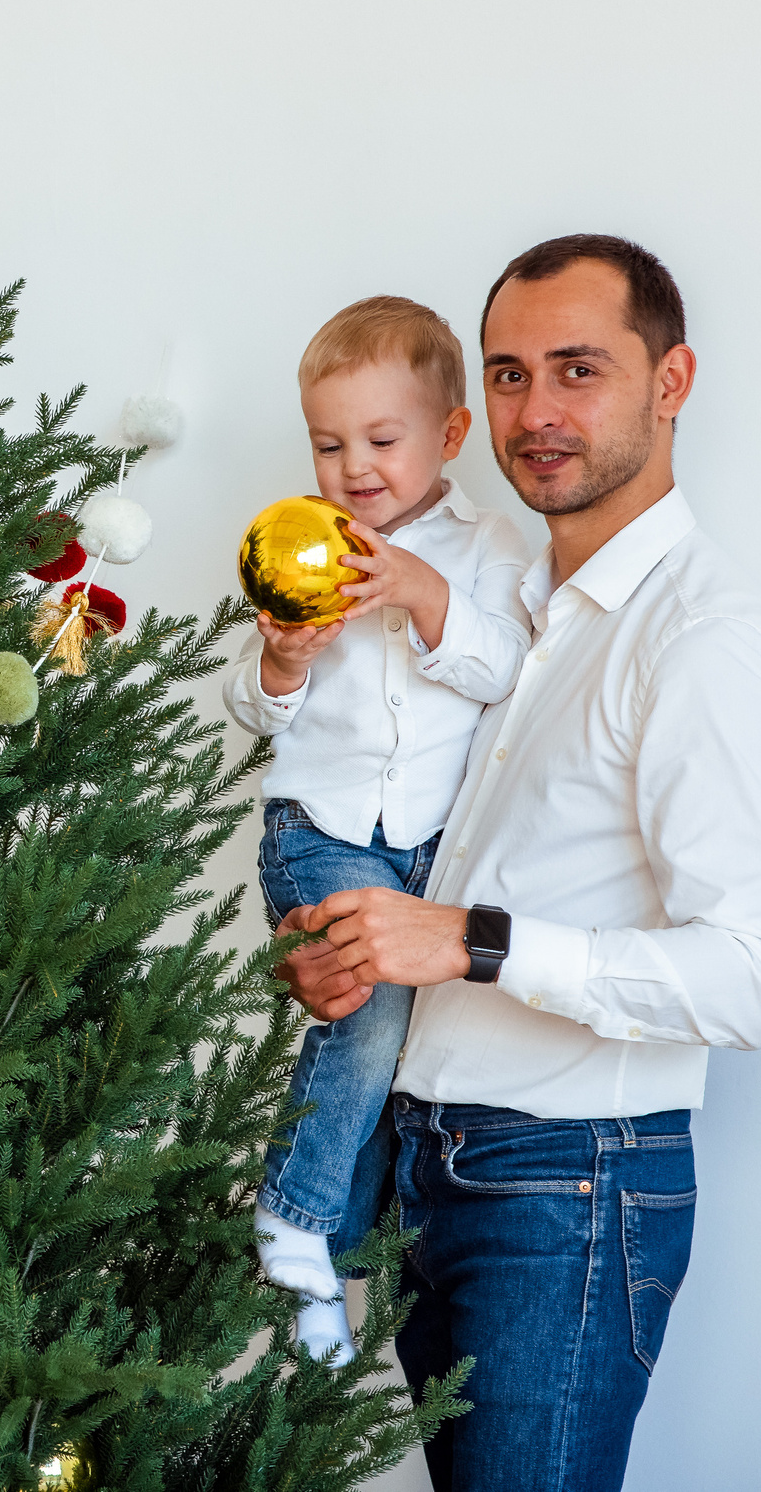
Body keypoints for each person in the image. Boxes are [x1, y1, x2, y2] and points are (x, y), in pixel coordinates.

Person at [279, 235, 761, 1491]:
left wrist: (468, 937)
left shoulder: (701, 642)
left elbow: (752, 977)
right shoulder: (521, 613)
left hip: (566, 1185)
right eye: (510, 376)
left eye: (579, 369)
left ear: (670, 381)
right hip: (434, 1162)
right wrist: (358, 959)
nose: (538, 412)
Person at [223, 296, 532, 1364]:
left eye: (381, 439)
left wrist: (421, 592)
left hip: (428, 849)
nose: (353, 467)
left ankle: (321, 1262)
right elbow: (256, 713)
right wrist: (284, 665)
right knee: (364, 1009)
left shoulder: (490, 547)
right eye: (327, 443)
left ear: (448, 436)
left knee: (385, 1042)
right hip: (322, 824)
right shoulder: (303, 549)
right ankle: (291, 1216)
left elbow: (506, 673)